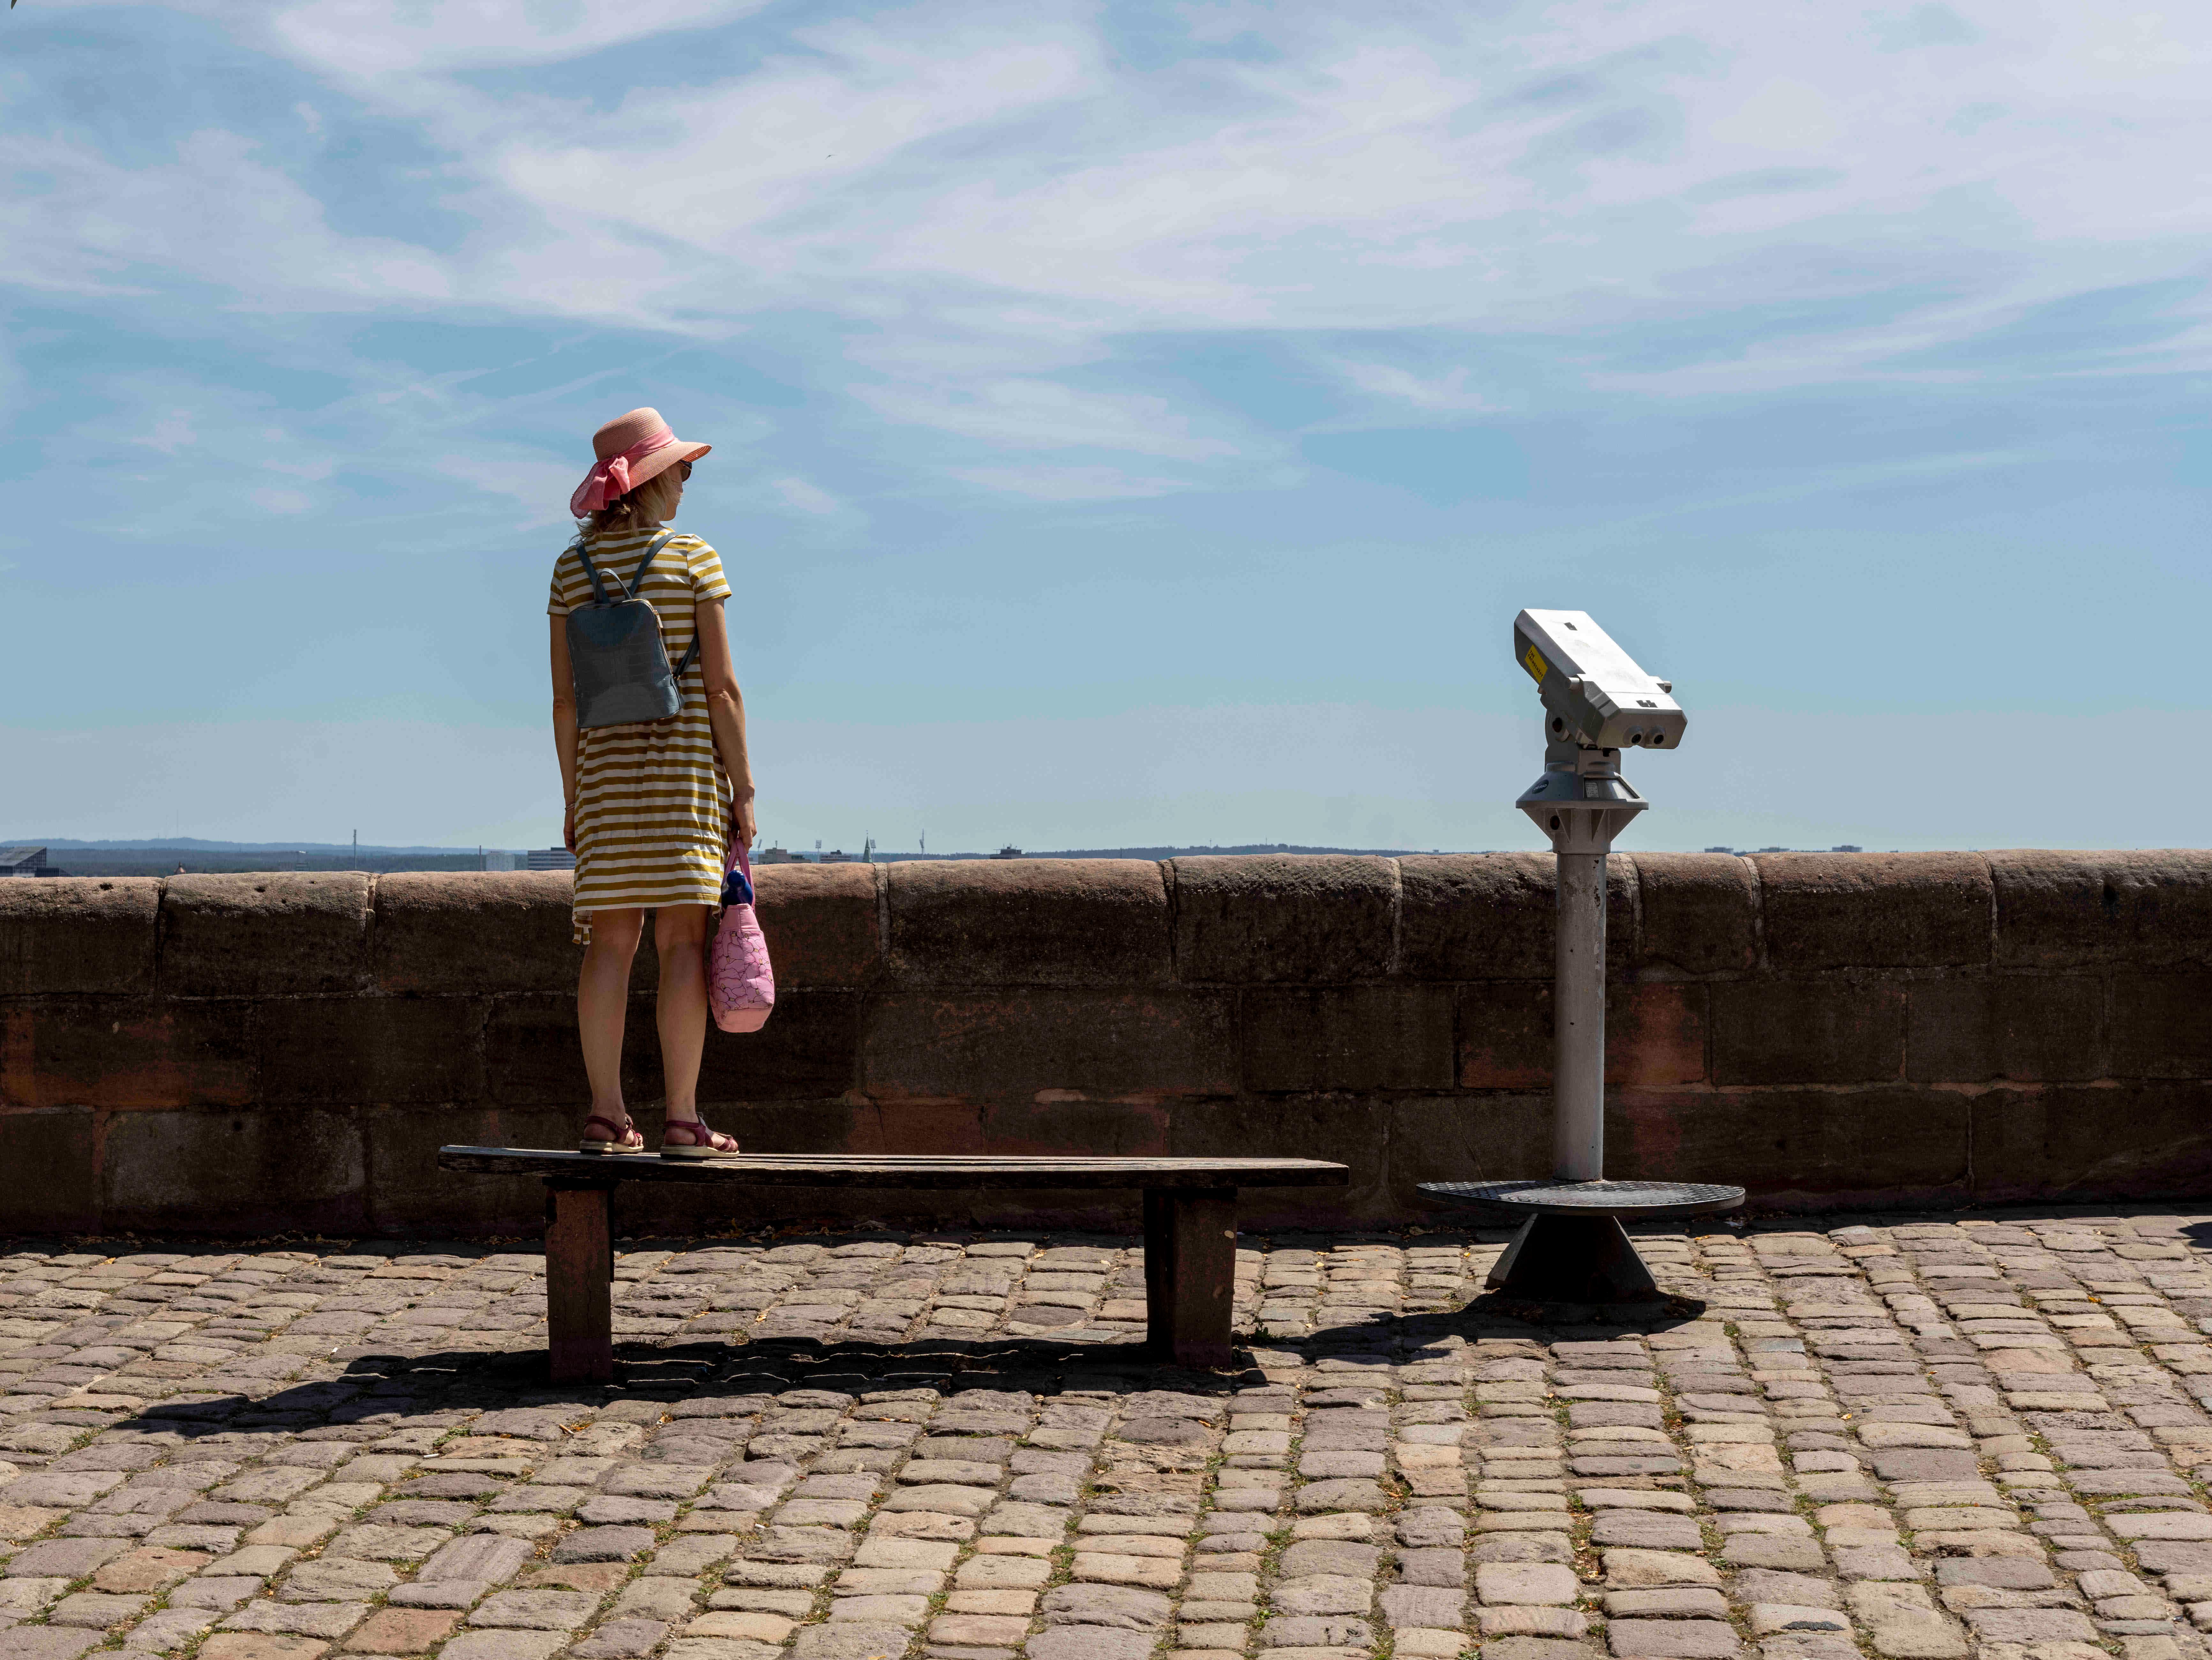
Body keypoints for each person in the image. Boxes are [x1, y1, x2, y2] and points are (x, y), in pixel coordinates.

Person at [548, 407, 756, 1159]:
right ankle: (682, 1118)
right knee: (679, 945)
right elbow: (725, 689)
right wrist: (746, 788)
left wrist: (572, 798)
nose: (687, 478)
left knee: (608, 946)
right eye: (681, 467)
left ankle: (605, 1114)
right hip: (685, 780)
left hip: (603, 784)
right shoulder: (696, 558)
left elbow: (565, 699)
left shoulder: (571, 570)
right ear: (650, 479)